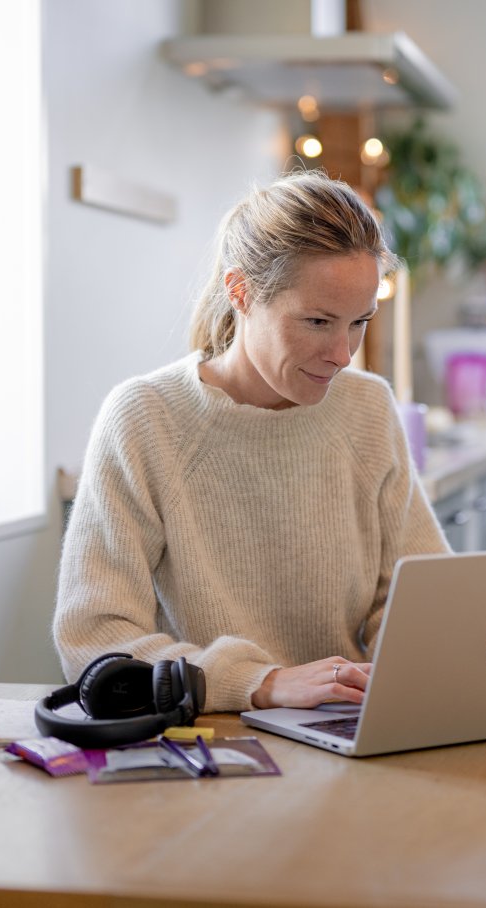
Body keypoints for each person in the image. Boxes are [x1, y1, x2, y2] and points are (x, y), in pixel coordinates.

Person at [53, 171, 450, 712]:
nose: (342, 352)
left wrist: (417, 671)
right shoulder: (145, 418)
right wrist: (261, 683)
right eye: (316, 320)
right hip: (215, 737)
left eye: (359, 321)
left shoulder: (368, 408)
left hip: (345, 728)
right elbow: (94, 636)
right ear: (241, 292)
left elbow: (418, 598)